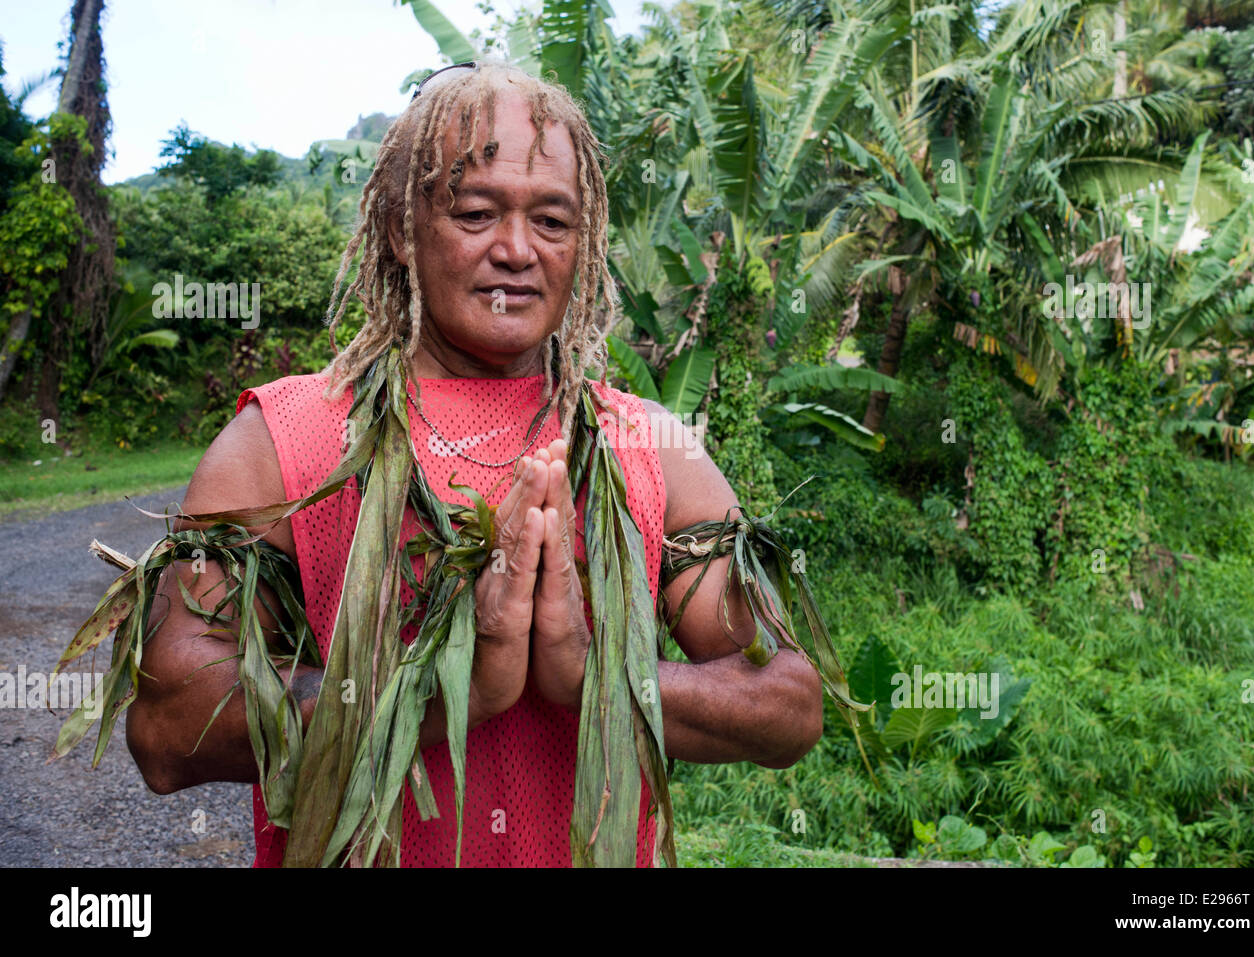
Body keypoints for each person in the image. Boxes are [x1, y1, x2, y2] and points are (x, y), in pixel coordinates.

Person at [123, 60, 823, 867]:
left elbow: (790, 703)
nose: (517, 250)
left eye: (553, 221)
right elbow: (168, 727)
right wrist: (451, 685)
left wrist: (591, 674)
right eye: (476, 210)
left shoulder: (649, 445)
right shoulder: (283, 442)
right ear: (399, 226)